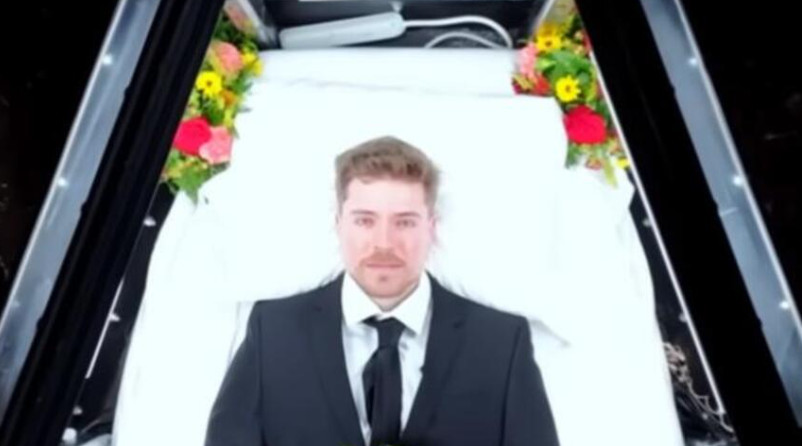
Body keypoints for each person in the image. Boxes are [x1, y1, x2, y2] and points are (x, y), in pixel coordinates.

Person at [205, 136, 560, 446]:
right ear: (338, 224)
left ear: (431, 227)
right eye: (365, 220)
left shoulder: (501, 342)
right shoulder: (273, 331)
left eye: (404, 222)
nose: (384, 243)